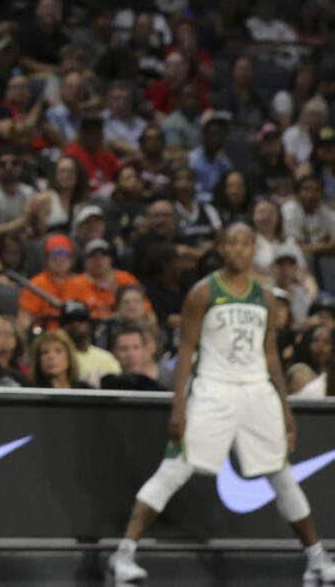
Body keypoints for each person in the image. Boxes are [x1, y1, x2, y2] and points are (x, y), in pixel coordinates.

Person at [108, 224, 335, 583]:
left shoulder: (264, 295)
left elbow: (271, 353)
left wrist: (285, 408)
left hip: (257, 391)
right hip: (213, 388)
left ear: (253, 250)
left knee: (282, 475)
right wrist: (179, 405)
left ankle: (317, 558)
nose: (240, 250)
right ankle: (123, 555)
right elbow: (185, 350)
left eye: (247, 244)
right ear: (221, 248)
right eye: (233, 243)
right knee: (174, 470)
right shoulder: (203, 292)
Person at [63, 239, 149, 320]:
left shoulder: (125, 278)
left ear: (110, 259)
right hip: (91, 327)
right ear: (85, 260)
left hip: (125, 324)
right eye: (93, 256)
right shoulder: (75, 283)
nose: (98, 260)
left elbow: (146, 307)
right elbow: (71, 313)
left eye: (103, 256)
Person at [17, 234, 74, 331]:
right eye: (55, 253)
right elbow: (24, 318)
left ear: (72, 259)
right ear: (46, 258)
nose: (60, 258)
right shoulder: (35, 285)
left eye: (64, 253)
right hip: (44, 337)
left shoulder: (77, 283)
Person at [57, 300, 122, 386]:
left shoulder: (106, 358)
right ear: (61, 326)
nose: (75, 324)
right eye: (69, 321)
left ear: (90, 324)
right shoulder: (55, 360)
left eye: (80, 320)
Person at [101, 322, 173, 391]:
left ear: (146, 349)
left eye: (136, 348)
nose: (130, 354)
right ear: (115, 353)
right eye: (124, 349)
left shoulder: (171, 379)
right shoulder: (111, 385)